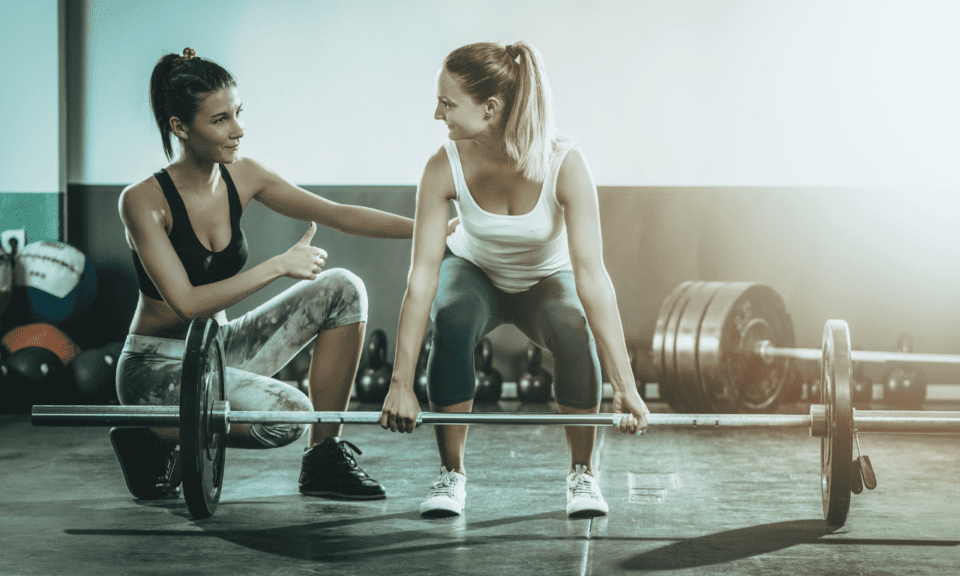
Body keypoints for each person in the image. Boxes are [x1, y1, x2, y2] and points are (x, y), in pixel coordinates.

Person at [113, 48, 432, 502]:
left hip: (217, 354)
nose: (238, 130)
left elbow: (339, 214)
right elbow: (186, 302)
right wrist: (278, 266)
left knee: (344, 289)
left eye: (238, 113)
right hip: (156, 366)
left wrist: (434, 231)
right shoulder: (142, 200)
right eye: (220, 119)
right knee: (288, 416)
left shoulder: (243, 176)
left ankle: (323, 457)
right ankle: (153, 434)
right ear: (180, 128)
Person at [378, 41, 650, 518]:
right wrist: (402, 382)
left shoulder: (564, 162)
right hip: (473, 272)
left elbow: (591, 276)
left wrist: (623, 384)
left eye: (447, 103)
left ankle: (583, 474)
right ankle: (451, 474)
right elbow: (421, 278)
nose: (436, 113)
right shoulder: (443, 165)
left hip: (546, 278)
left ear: (490, 108)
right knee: (453, 316)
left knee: (572, 323)